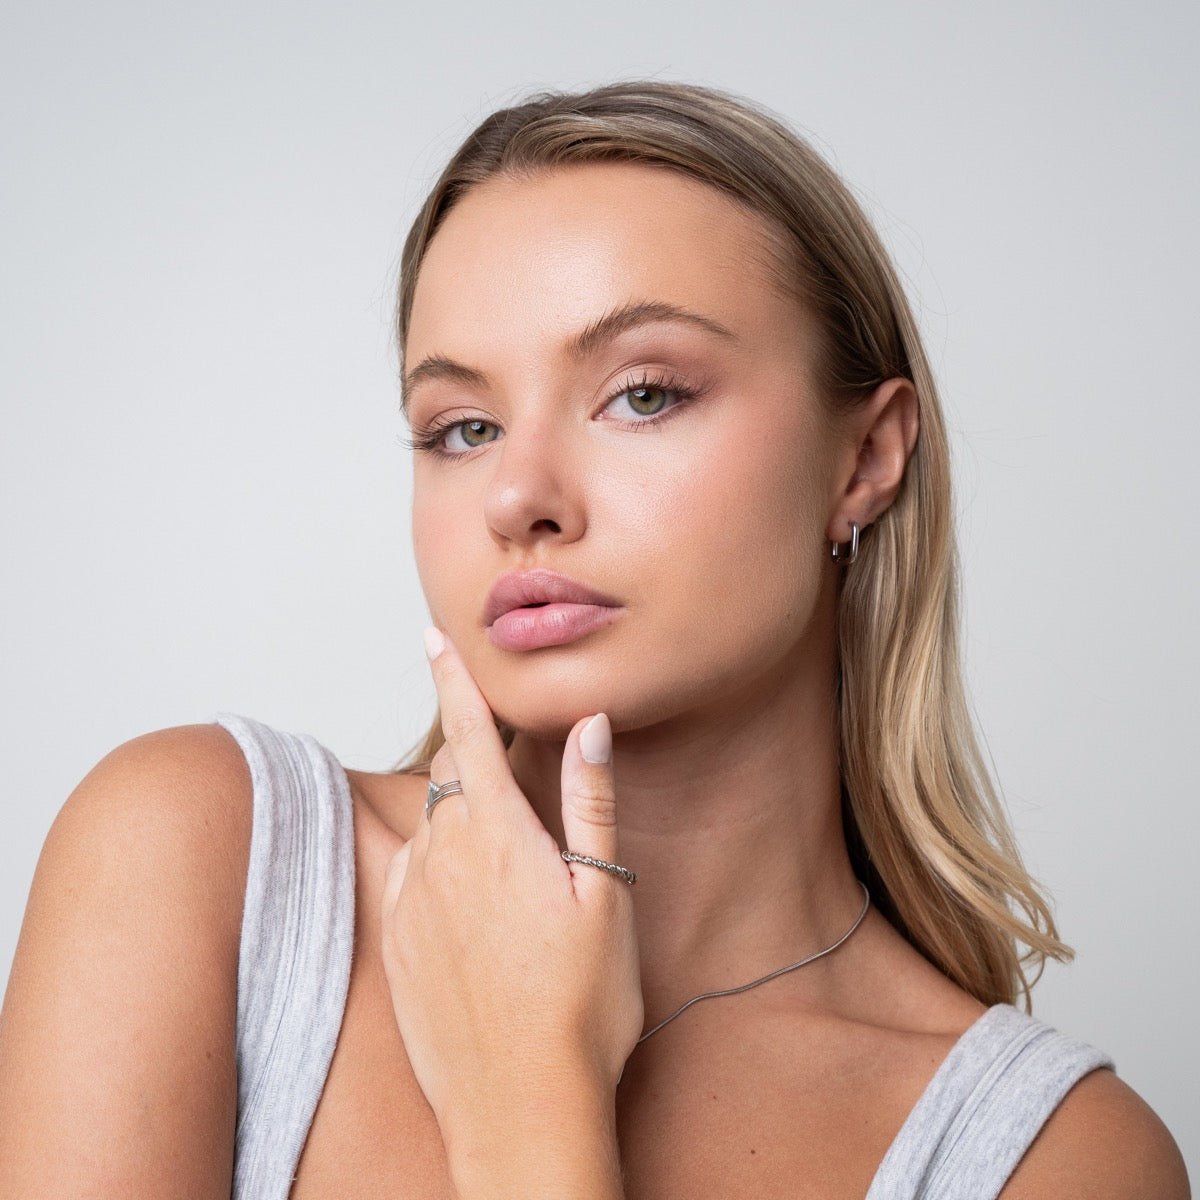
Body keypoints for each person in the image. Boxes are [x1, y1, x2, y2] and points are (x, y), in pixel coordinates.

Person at [0, 80, 1188, 1199]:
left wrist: (531, 1106)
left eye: (645, 394)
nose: (519, 496)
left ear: (866, 458)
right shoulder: (203, 860)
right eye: (462, 428)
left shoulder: (1054, 1161)